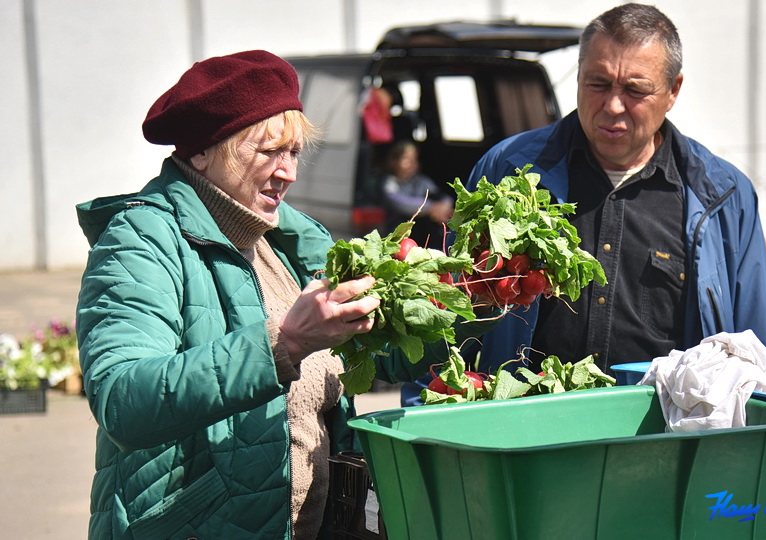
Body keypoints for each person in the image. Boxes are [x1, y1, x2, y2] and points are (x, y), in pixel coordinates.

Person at [75, 50, 493, 539]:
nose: (288, 172)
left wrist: (463, 304)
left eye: (293, 152)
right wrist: (284, 344)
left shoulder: (290, 243)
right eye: (268, 151)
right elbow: (123, 400)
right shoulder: (141, 239)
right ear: (203, 151)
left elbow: (372, 360)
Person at [401, 3, 766, 406]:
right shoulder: (508, 170)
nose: (613, 106)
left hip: (666, 440)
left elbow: (760, 353)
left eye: (635, 90)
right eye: (597, 84)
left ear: (673, 91)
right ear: (579, 76)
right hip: (525, 436)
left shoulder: (722, 195)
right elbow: (445, 306)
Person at [381, 140, 454, 249]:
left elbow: (441, 196)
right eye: (406, 159)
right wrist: (430, 208)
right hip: (396, 237)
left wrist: (444, 205)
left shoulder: (421, 181)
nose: (412, 163)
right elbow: (399, 202)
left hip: (421, 236)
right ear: (394, 161)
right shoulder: (389, 182)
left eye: (414, 159)